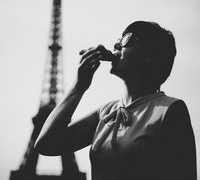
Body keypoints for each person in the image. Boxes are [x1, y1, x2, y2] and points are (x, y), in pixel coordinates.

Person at [35, 21, 197, 180]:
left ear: (149, 56)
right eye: (118, 40)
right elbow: (47, 144)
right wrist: (79, 86)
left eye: (127, 39)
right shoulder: (105, 113)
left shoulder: (170, 110)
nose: (117, 45)